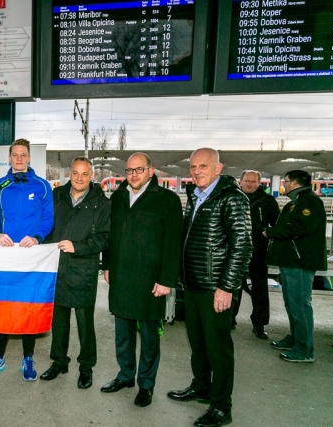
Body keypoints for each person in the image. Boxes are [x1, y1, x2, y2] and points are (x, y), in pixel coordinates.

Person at [167, 148, 251, 427]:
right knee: (198, 344)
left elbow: (242, 245)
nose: (197, 171)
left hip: (215, 288)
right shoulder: (196, 195)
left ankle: (221, 407)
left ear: (218, 168)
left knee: (218, 350)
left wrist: (226, 287)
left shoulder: (232, 198)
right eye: (193, 167)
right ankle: (202, 386)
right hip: (194, 285)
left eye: (203, 166)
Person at [100, 153, 182, 407]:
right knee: (122, 333)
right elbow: (110, 235)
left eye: (139, 170)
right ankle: (126, 376)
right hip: (121, 276)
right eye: (129, 170)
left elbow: (173, 243)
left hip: (150, 281)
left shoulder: (167, 200)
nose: (133, 175)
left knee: (149, 337)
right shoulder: (118, 197)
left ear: (150, 171)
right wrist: (107, 265)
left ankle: (146, 384)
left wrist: (166, 279)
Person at [0, 138, 54, 381]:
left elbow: (49, 219)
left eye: (24, 155)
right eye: (15, 155)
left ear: (30, 157)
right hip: (6, 255)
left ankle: (28, 358)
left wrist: (37, 237)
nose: (20, 159)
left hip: (32, 256)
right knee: (3, 305)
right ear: (9, 158)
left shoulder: (43, 186)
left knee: (28, 306)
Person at [40, 157, 109, 389]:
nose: (79, 178)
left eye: (85, 174)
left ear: (92, 176)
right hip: (58, 267)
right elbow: (47, 226)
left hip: (83, 270)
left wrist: (77, 247)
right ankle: (59, 362)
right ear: (70, 173)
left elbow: (104, 238)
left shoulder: (101, 203)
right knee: (59, 321)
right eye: (76, 173)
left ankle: (86, 366)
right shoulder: (57, 196)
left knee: (85, 323)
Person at [265, 170, 326, 363]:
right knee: (292, 303)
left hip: (300, 261)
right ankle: (295, 338)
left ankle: (304, 349)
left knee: (300, 305)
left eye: (286, 181)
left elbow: (304, 227)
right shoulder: (297, 201)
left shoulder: (309, 201)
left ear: (295, 183)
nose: (284, 184)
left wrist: (272, 232)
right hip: (291, 260)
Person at [232, 170, 280, 339]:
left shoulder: (268, 201)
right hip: (234, 250)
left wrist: (268, 233)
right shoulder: (232, 198)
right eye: (247, 181)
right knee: (232, 286)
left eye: (254, 181)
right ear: (240, 181)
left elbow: (277, 224)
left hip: (258, 250)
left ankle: (259, 324)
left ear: (259, 183)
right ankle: (229, 318)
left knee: (260, 288)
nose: (250, 184)